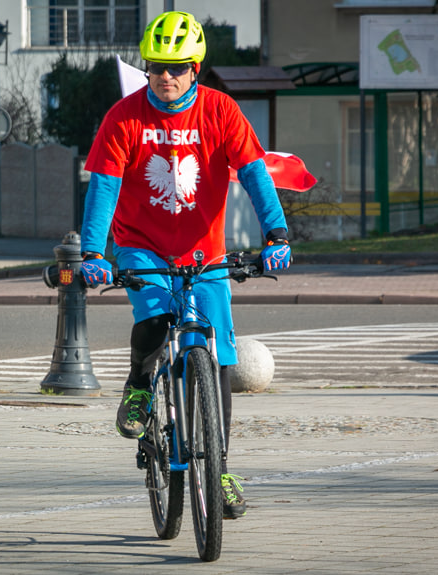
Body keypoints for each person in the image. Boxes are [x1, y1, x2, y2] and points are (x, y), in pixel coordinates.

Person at [79, 11, 291, 520]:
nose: (165, 77)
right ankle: (137, 387)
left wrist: (276, 233)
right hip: (142, 245)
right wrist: (92, 253)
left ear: (195, 67)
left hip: (206, 252)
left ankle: (218, 469)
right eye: (155, 67)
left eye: (176, 67)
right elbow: (104, 186)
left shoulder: (220, 111)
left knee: (216, 359)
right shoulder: (124, 117)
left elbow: (255, 172)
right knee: (152, 318)